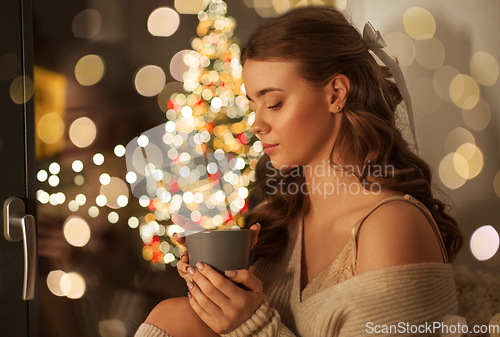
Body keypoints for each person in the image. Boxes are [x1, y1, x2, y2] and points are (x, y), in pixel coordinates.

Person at [135, 6, 463, 337]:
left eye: (274, 103)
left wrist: (252, 326)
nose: (257, 124)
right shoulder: (281, 224)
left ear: (336, 93)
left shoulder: (391, 227)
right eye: (252, 104)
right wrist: (214, 287)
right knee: (174, 315)